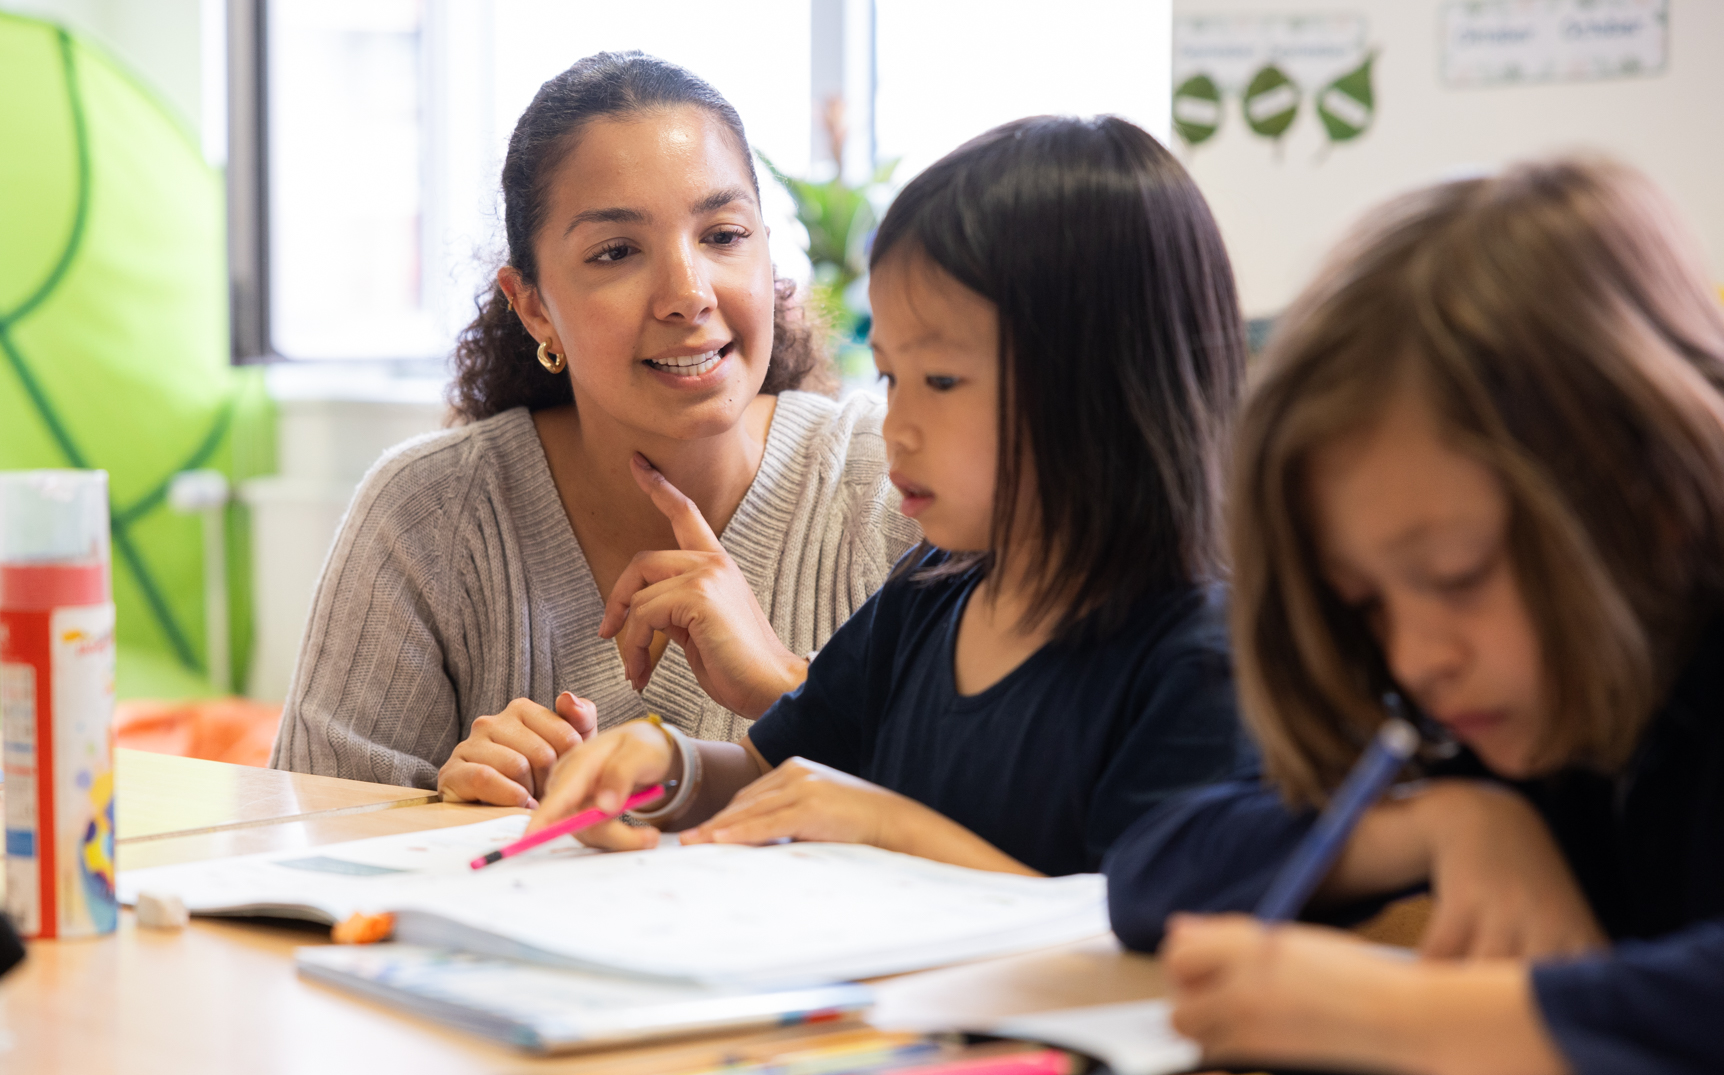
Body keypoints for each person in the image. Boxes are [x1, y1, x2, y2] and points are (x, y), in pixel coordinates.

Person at [1107, 158, 1724, 1075]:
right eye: (1366, 603)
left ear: (1654, 495)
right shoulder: (1498, 712)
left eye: (1456, 576)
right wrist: (1447, 823)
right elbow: (1151, 875)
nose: (1415, 656)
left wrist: (1413, 1017)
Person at [522, 114, 1258, 878]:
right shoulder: (928, 595)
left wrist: (886, 824)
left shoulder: (1201, 659)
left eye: (940, 380)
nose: (898, 426)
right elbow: (771, 773)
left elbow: (1142, 936)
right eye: (889, 377)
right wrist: (670, 764)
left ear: (1105, 382)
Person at [270, 53, 919, 794]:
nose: (688, 293)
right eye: (616, 252)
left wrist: (788, 688)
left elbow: (1029, 818)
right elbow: (306, 843)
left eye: (724, 235)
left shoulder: (895, 484)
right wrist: (442, 811)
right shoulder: (426, 516)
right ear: (534, 305)